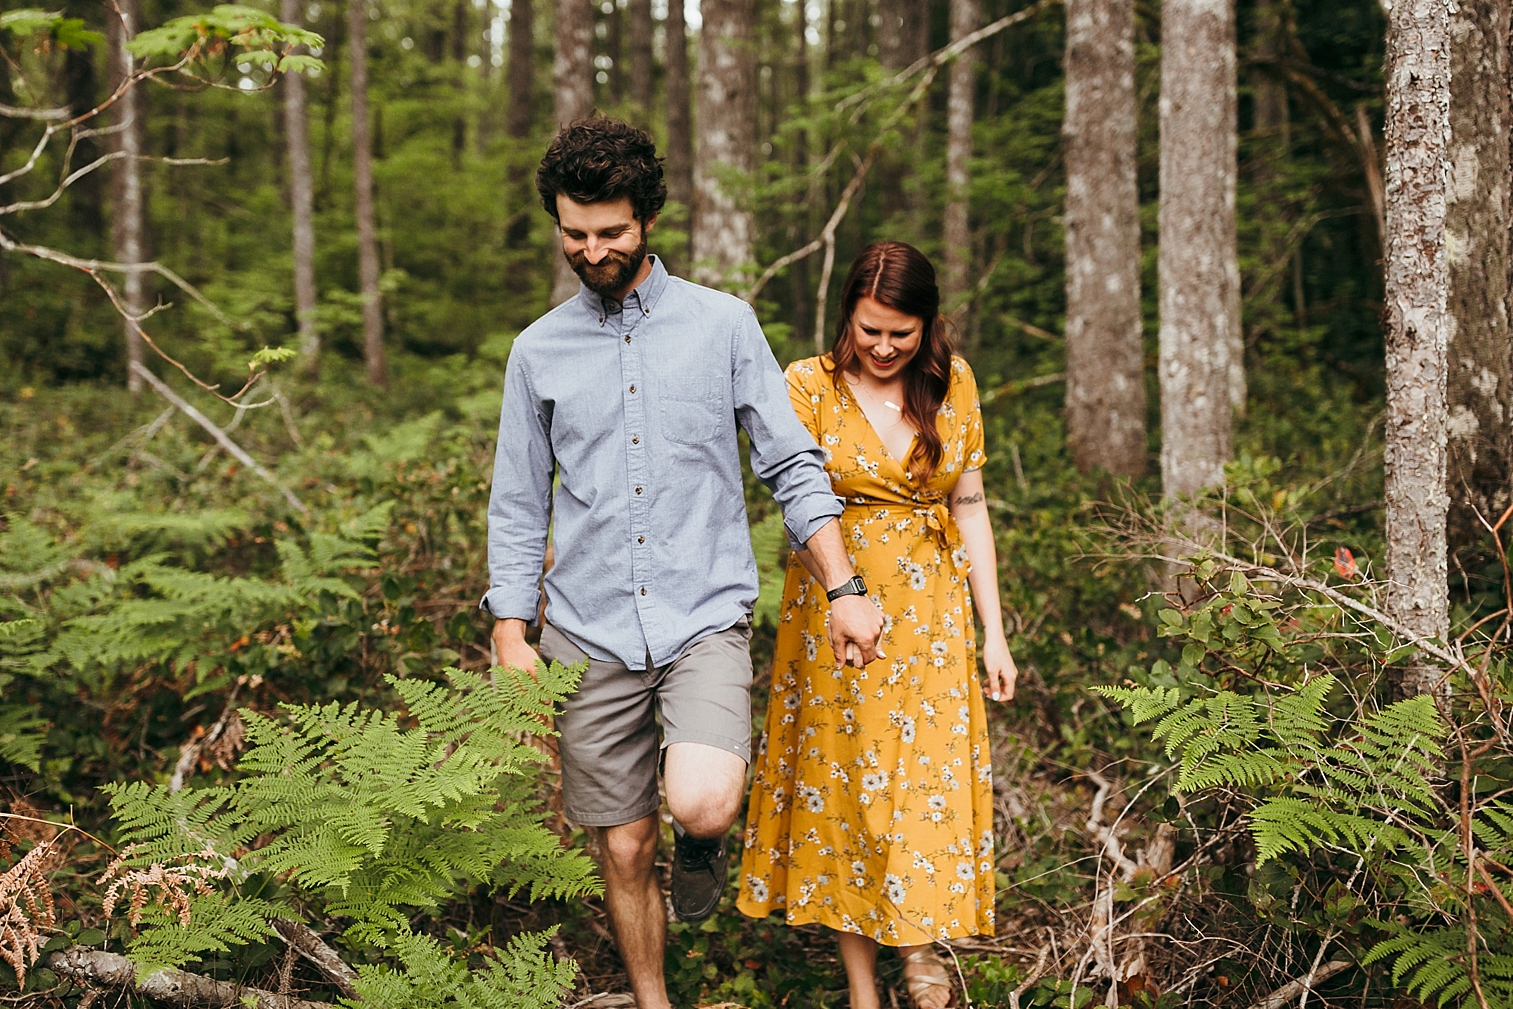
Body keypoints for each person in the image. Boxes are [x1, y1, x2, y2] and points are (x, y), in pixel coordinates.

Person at [481, 118, 885, 1009]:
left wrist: (845, 586)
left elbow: (790, 463)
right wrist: (512, 627)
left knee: (699, 801)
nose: (593, 251)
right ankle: (654, 997)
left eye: (611, 232)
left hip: (701, 613)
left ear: (649, 218)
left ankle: (701, 845)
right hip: (585, 634)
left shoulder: (723, 325)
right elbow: (518, 499)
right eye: (575, 234)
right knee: (623, 847)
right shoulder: (536, 351)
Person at [736, 241, 1018, 1009]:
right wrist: (841, 588)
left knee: (919, 782)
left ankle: (917, 943)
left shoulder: (950, 382)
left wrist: (993, 630)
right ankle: (863, 983)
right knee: (847, 788)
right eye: (870, 331)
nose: (886, 347)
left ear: (927, 324)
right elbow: (792, 502)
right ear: (846, 319)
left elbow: (970, 506)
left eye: (902, 332)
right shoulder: (807, 386)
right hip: (837, 611)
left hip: (930, 615)